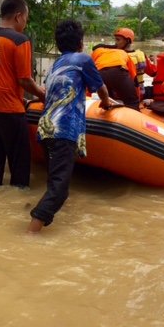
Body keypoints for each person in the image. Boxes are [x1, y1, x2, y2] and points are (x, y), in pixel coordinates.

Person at [28, 20, 114, 233]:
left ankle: (42, 211)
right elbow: (101, 89)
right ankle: (31, 231)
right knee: (60, 190)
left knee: (54, 179)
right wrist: (107, 102)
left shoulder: (56, 64)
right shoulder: (84, 60)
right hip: (64, 129)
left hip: (46, 129)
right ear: (81, 43)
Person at [0, 0, 45, 189]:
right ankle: (18, 195)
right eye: (26, 18)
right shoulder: (20, 40)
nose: (26, 22)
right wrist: (42, 95)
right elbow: (25, 79)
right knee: (20, 158)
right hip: (7, 107)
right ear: (19, 16)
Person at [91, 36, 139, 111]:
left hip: (100, 74)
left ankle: (106, 113)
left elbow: (90, 73)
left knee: (108, 98)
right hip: (119, 73)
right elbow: (134, 76)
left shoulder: (96, 52)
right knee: (132, 103)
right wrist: (136, 95)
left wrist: (88, 97)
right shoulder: (122, 52)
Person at [113, 27, 156, 100]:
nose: (115, 43)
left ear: (127, 41)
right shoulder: (141, 55)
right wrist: (155, 60)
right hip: (139, 95)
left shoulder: (114, 56)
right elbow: (153, 72)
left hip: (118, 96)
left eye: (118, 40)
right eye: (115, 39)